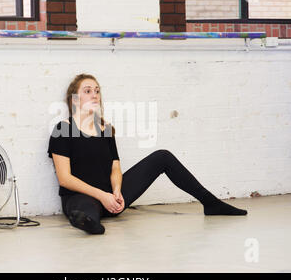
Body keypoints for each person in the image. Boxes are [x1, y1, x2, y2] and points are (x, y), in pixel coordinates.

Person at [47, 74, 247, 235]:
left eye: (97, 91)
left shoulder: (105, 128)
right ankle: (89, 223)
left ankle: (211, 203)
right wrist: (102, 196)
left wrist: (116, 192)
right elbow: (65, 179)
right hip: (82, 196)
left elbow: (115, 167)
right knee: (85, 209)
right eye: (88, 91)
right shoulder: (62, 130)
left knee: (162, 156)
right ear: (74, 98)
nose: (95, 95)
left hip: (111, 196)